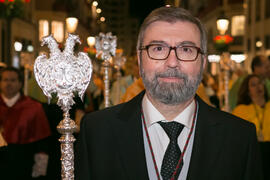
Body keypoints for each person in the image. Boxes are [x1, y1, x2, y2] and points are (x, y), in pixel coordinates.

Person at [75, 6, 262, 180]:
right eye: (158, 48)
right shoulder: (96, 132)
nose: (172, 62)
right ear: (140, 61)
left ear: (203, 62)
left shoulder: (240, 138)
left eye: (186, 49)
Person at [0, 67, 51, 179]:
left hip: (23, 163)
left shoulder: (33, 107)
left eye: (12, 80)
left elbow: (42, 141)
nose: (8, 84)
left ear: (20, 83)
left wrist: (40, 170)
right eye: (5, 80)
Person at [232, 74, 270, 180]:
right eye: (253, 85)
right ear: (248, 92)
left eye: (260, 83)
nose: (258, 86)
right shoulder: (241, 110)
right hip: (254, 154)